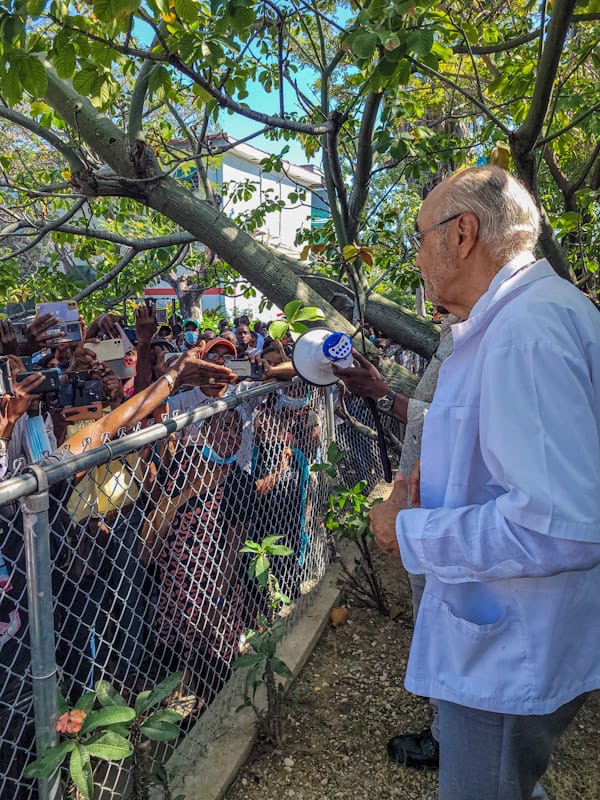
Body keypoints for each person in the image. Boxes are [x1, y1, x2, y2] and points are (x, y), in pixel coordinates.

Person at [369, 165, 600, 800]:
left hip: (512, 652)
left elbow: (556, 528)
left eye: (420, 237)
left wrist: (409, 528)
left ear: (463, 233)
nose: (417, 257)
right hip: (512, 634)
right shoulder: (526, 318)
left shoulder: (524, 333)